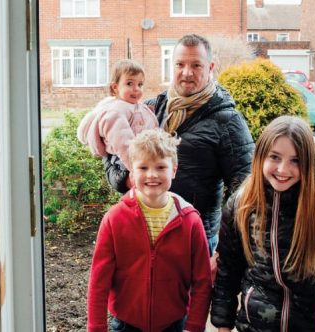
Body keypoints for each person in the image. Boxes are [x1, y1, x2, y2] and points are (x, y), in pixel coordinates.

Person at [210, 116, 315, 332]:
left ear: (307, 163)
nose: (283, 169)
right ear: (260, 156)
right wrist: (222, 325)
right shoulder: (242, 203)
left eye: (295, 161)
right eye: (275, 157)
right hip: (256, 325)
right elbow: (227, 270)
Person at [103, 34, 255, 259]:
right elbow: (110, 158)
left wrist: (224, 252)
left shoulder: (228, 121)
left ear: (210, 67)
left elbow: (245, 193)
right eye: (180, 64)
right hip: (144, 232)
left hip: (195, 238)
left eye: (196, 65)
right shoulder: (149, 109)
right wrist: (126, 178)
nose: (187, 72)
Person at [86, 129, 212, 332]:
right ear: (132, 172)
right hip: (126, 324)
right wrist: (96, 327)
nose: (152, 174)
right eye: (143, 167)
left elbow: (202, 280)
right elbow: (99, 281)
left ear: (174, 170)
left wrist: (195, 326)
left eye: (160, 167)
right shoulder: (114, 219)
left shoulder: (190, 221)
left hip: (175, 324)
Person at [77, 59, 159, 175]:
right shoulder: (115, 112)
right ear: (115, 87)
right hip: (127, 162)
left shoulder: (135, 106)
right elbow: (123, 144)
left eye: (140, 84)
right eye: (129, 83)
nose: (136, 88)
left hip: (141, 159)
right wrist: (138, 171)